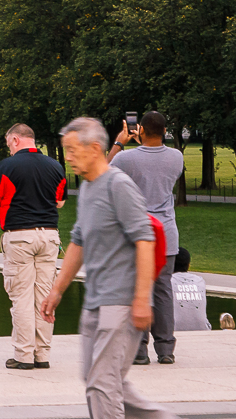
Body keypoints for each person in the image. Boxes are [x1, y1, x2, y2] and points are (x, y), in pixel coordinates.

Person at [42, 116, 179, 419]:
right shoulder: (89, 188)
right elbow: (78, 242)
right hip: (95, 302)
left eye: (73, 150)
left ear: (94, 149)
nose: (69, 157)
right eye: (66, 150)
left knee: (102, 384)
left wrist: (142, 299)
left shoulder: (119, 185)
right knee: (96, 379)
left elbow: (145, 241)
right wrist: (57, 290)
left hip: (122, 303)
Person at [0, 122, 66, 370]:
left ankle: (23, 355)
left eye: (9, 143)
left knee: (21, 298)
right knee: (44, 297)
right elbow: (60, 203)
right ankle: (42, 355)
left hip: (20, 236)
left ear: (16, 140)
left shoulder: (7, 166)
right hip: (50, 236)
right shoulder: (55, 166)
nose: (9, 148)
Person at [109, 111, 186, 366]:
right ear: (165, 131)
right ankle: (166, 350)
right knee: (163, 292)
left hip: (137, 233)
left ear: (140, 129)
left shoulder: (126, 158)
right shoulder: (176, 156)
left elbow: (102, 174)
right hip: (166, 233)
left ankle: (139, 350)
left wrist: (121, 141)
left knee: (137, 291)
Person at [172, 249, 210, 333]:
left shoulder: (166, 282)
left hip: (174, 330)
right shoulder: (200, 280)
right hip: (204, 329)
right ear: (189, 265)